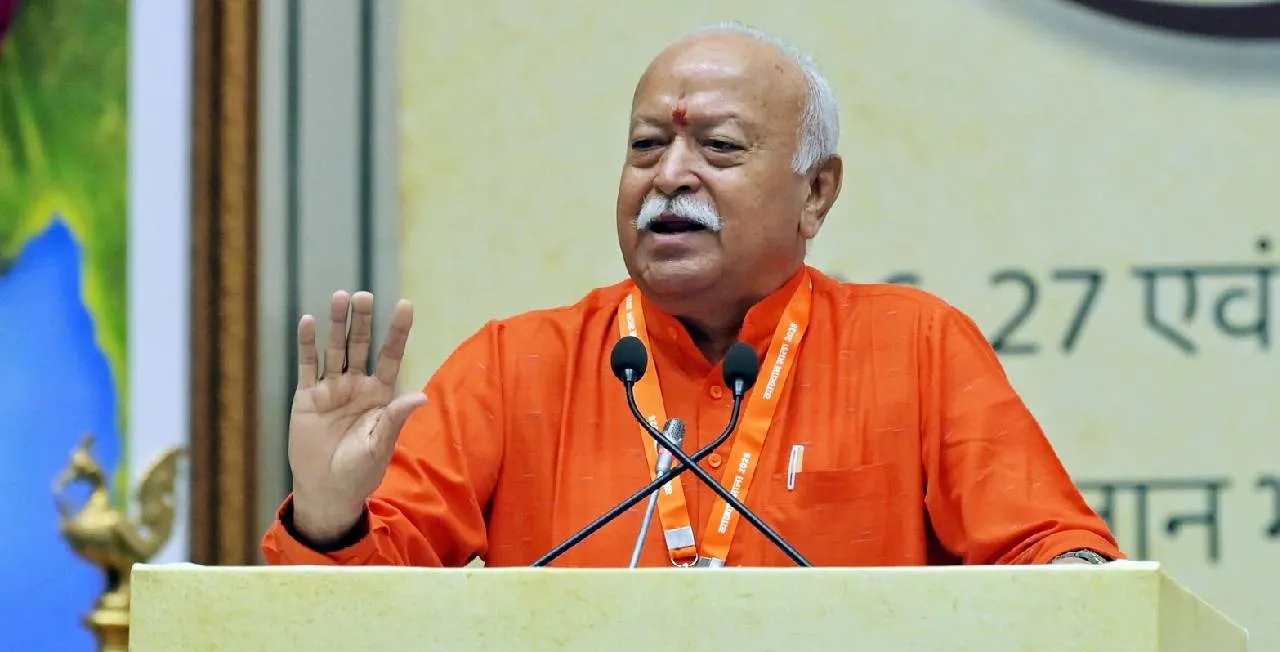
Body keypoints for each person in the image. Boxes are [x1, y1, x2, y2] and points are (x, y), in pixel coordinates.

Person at [261, 22, 1123, 569]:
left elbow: (1052, 551)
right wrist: (330, 513)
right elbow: (365, 625)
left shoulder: (916, 347)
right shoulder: (516, 366)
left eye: (719, 147)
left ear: (817, 193)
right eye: (646, 146)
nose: (669, 175)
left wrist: (1076, 581)